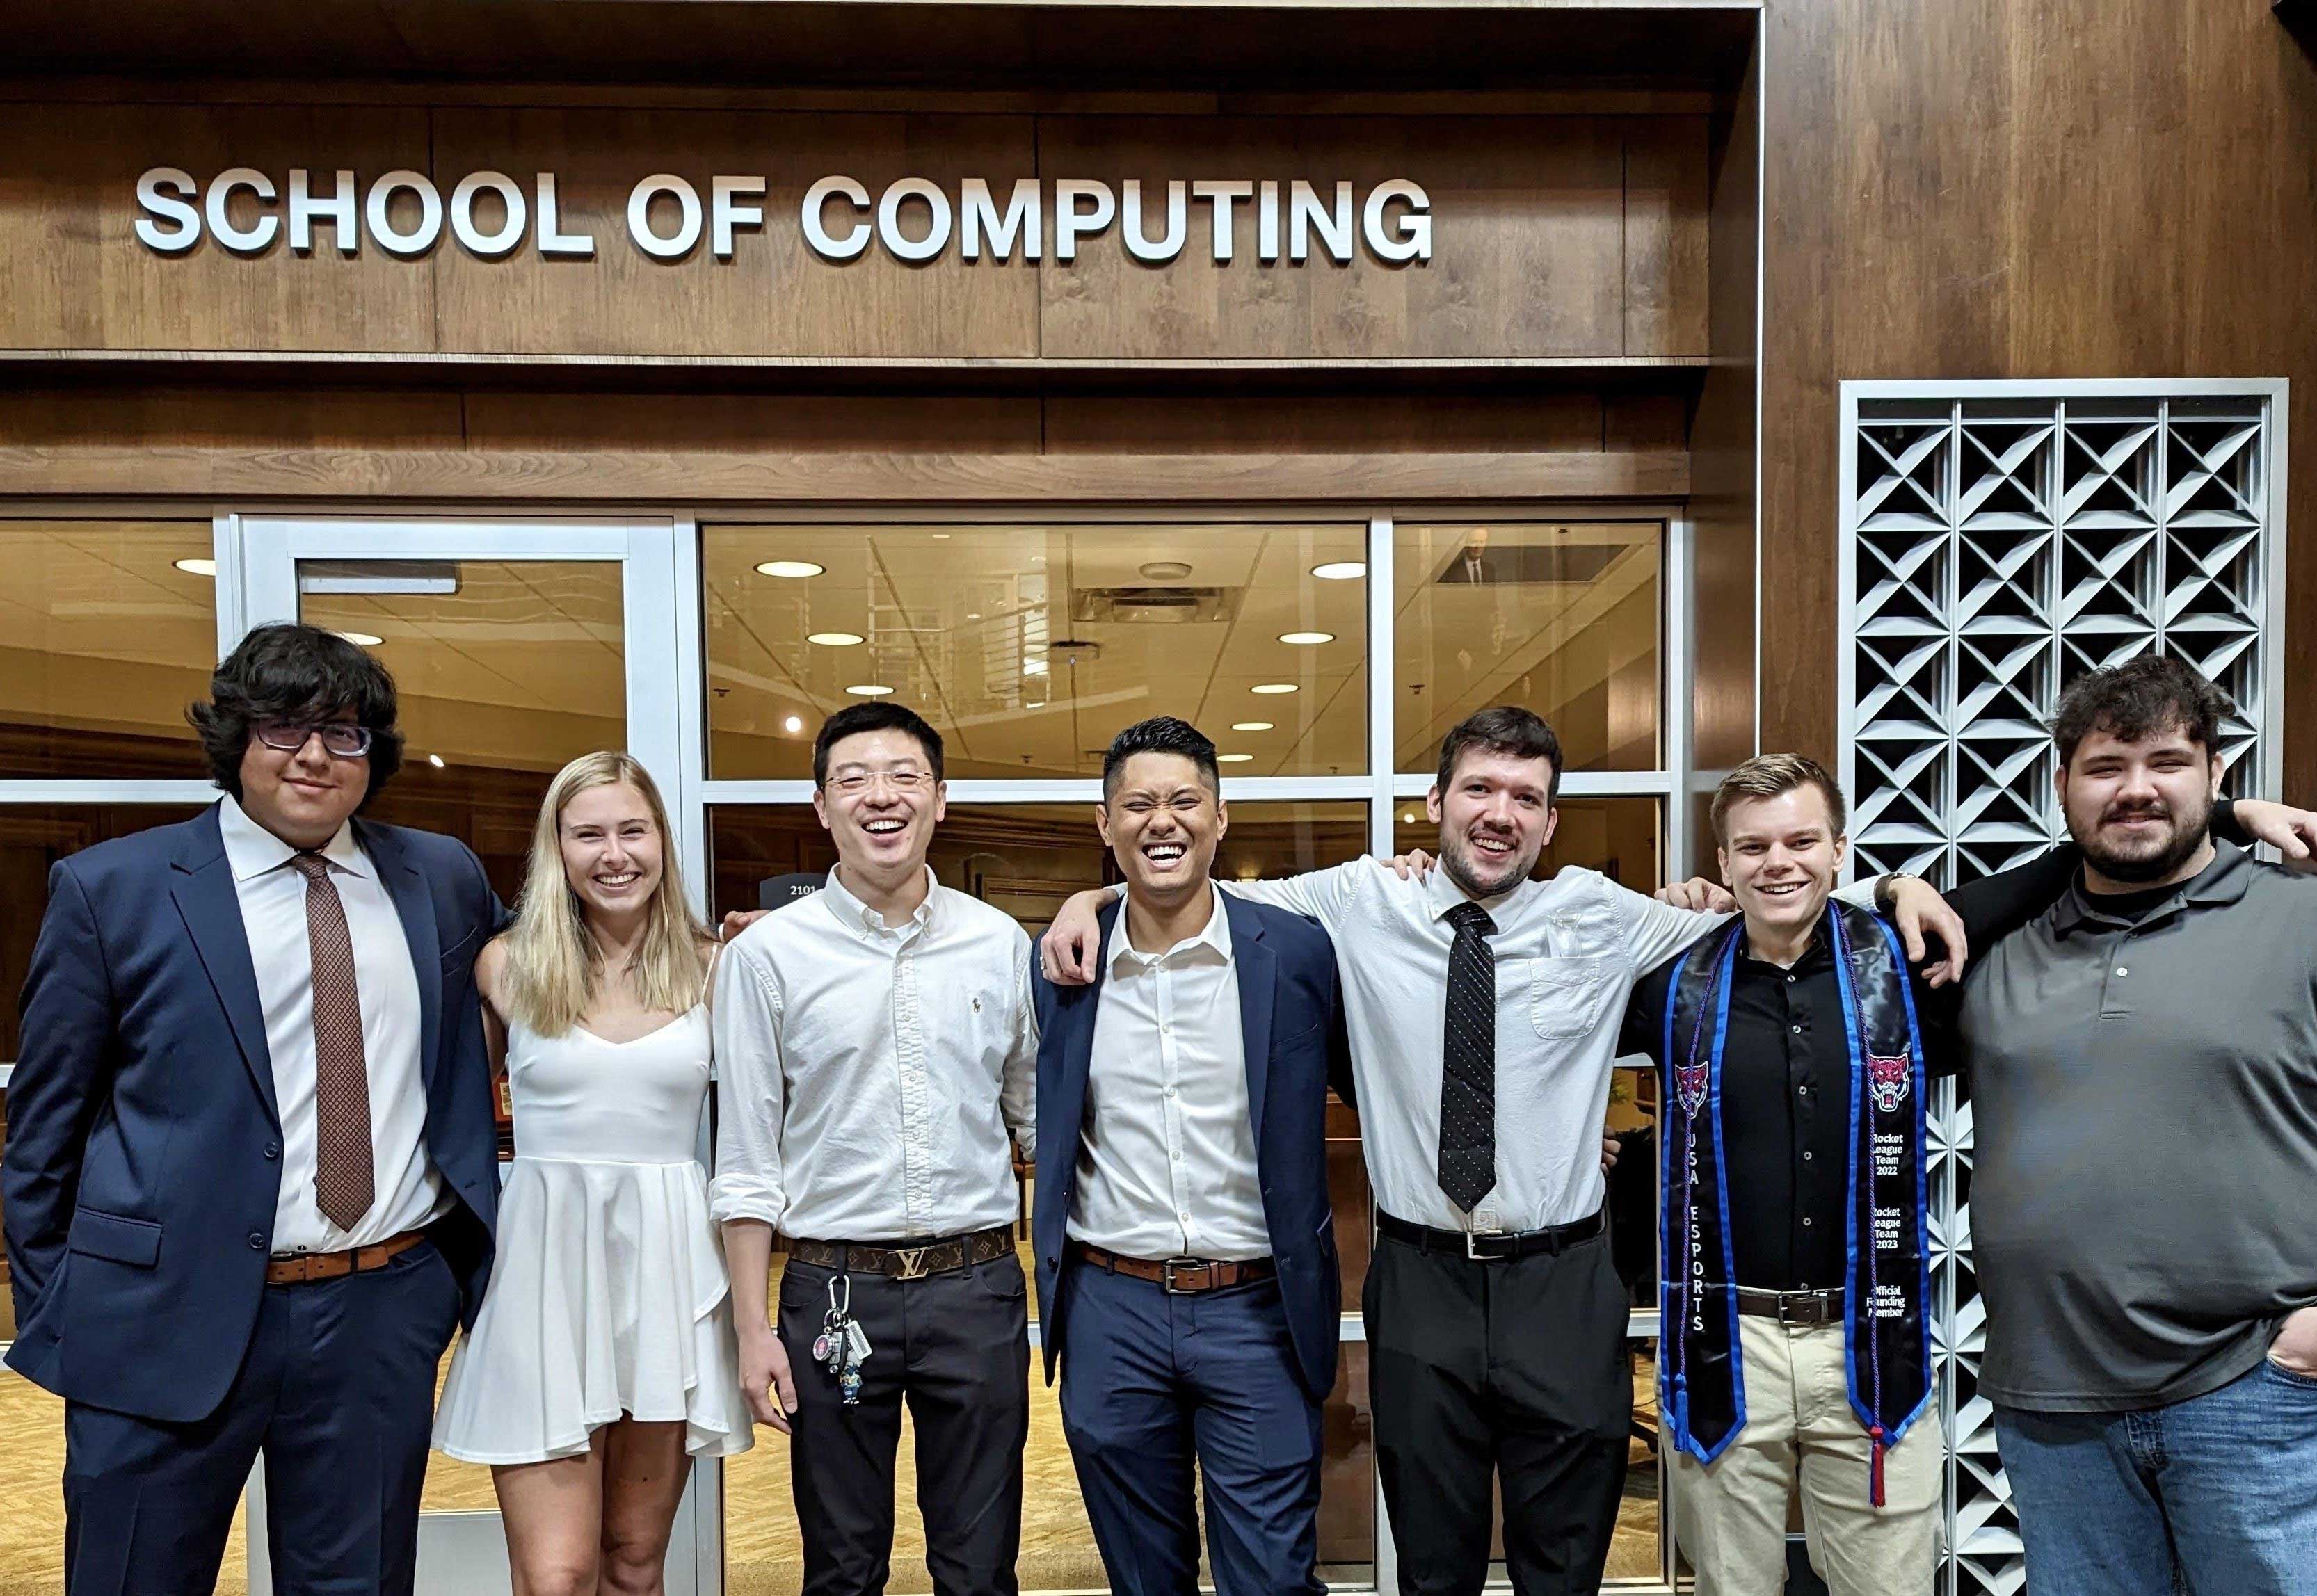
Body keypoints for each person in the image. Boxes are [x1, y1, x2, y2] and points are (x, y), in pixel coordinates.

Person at [1041, 704, 1965, 1596]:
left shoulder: (1602, 913)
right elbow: (1188, 883)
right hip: (1419, 1281)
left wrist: (1891, 887)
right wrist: (1089, 894)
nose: (1499, 812)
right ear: (1435, 802)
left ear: (1548, 819)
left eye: (1525, 797)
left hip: (1559, 1283)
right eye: (1478, 787)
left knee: (1560, 1566)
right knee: (1433, 1565)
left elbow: (1779, 904)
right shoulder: (1360, 899)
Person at [2, 622, 504, 1596]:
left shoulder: (440, 878)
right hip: (156, 1315)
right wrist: (69, 1300)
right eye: (283, 727)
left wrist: (742, 944)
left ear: (372, 754)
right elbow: (45, 1126)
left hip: (378, 1307)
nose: (314, 753)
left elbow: (571, 964)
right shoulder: (116, 888)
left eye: (343, 732)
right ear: (236, 738)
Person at [1948, 656, 2317, 1596]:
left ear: (2216, 773)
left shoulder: (2299, 920)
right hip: (2051, 1401)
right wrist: (1885, 889)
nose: (2136, 788)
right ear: (2061, 781)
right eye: (2105, 766)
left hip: (2259, 1388)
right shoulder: (1995, 950)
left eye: (2166, 761)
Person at [713, 702, 1038, 1596]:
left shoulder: (997, 944)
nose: (879, 797)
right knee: (842, 1567)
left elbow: (1038, 1124)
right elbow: (744, 1159)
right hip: (831, 1294)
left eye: (903, 776)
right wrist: (751, 1331)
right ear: (821, 807)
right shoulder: (767, 957)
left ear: (940, 798)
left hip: (975, 1289)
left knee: (979, 1569)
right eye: (853, 779)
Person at [1029, 717, 1352, 1596]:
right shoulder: (1063, 963)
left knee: (1273, 1578)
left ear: (1219, 817)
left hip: (1257, 1307)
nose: (1160, 821)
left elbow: (1376, 1085)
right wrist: (1084, 903)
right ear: (1105, 826)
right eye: (1136, 804)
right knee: (1143, 1576)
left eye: (1183, 801)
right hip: (1111, 1308)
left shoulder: (1293, 953)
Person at [432, 751, 750, 1595]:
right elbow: (449, 1124)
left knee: (635, 1565)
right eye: (589, 835)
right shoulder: (507, 966)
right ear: (557, 849)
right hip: (542, 1275)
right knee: (557, 1576)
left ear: (662, 843)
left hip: (668, 1274)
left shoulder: (717, 967)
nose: (615, 854)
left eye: (633, 831)